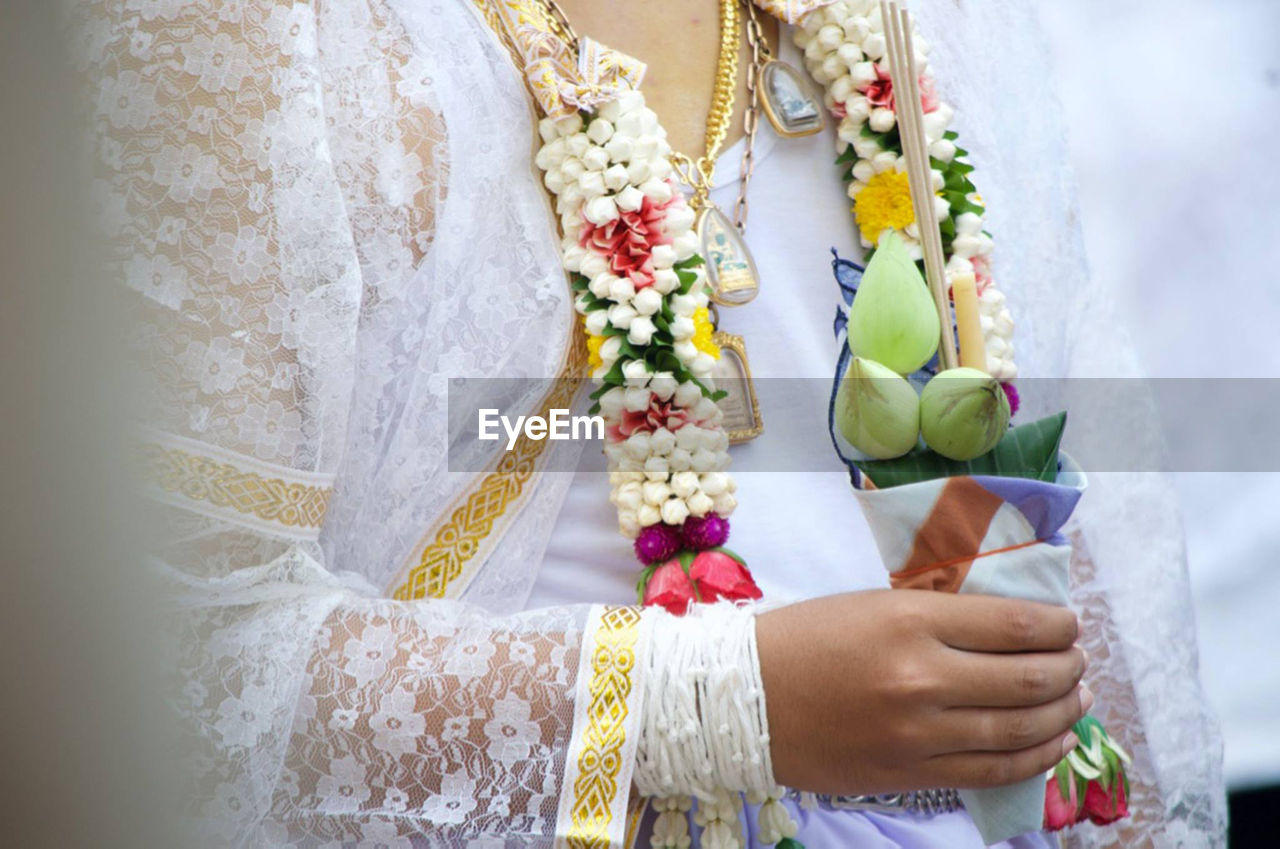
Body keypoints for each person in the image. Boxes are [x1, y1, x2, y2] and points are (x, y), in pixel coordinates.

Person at [76, 0, 1224, 845]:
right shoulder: (248, 38)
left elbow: (1053, 532)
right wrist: (724, 701)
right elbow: (155, 667)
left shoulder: (918, 21)